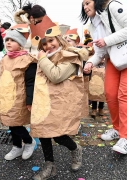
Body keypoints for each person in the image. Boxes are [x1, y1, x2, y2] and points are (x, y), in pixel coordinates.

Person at [80, 0, 127, 154]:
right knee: (110, 94)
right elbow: (100, 52)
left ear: (96, 1)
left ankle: (125, 138)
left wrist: (107, 41)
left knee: (125, 94)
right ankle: (117, 128)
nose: (85, 7)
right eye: (83, 5)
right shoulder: (93, 25)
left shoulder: (113, 7)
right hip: (114, 60)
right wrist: (90, 63)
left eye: (88, 3)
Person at [30, 16, 86, 179]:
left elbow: (56, 75)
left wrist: (41, 58)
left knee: (57, 134)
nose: (48, 46)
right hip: (45, 102)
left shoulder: (71, 56)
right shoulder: (45, 57)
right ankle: (50, 165)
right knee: (43, 132)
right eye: (44, 44)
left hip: (61, 103)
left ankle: (75, 148)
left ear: (59, 39)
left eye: (50, 41)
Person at [0, 24, 37, 161]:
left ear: (21, 44)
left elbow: (30, 82)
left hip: (19, 97)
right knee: (9, 121)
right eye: (7, 40)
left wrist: (30, 100)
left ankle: (29, 142)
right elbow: (0, 78)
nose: (9, 42)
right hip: (6, 96)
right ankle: (17, 146)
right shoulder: (4, 59)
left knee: (15, 122)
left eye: (13, 40)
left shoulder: (28, 60)